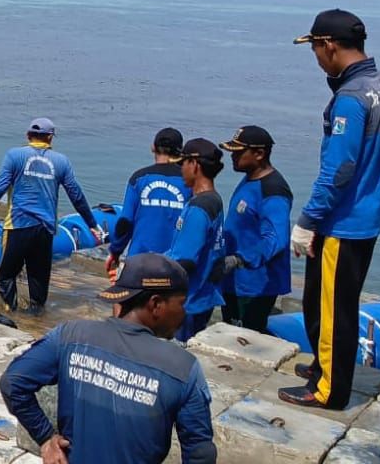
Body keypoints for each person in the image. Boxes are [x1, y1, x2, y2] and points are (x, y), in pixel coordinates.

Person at [280, 9, 380, 410]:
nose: (315, 57)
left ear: (328, 45)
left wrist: (308, 221)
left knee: (333, 310)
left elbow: (339, 168)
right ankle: (323, 367)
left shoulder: (350, 99)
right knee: (320, 300)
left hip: (342, 221)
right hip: (366, 216)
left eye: (315, 48)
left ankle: (329, 390)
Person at [0, 253, 217, 464]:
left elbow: (12, 383)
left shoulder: (71, 335)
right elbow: (200, 453)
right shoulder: (183, 368)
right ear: (155, 304)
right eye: (181, 303)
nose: (184, 312)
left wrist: (46, 438)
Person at [0, 118, 103, 315]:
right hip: (45, 229)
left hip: (18, 226)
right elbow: (76, 195)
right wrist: (91, 223)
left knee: (5, 277)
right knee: (38, 280)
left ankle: (12, 313)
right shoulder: (61, 161)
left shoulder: (14, 156)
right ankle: (35, 319)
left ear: (28, 135)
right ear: (50, 138)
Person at [215, 125, 293, 333]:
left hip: (254, 285)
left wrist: (239, 259)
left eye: (239, 152)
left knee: (244, 337)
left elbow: (276, 238)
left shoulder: (273, 191)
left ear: (259, 153)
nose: (232, 156)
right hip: (232, 280)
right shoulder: (249, 180)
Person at [107, 127, 190, 281]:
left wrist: (115, 251)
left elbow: (125, 221)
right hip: (173, 264)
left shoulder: (139, 178)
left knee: (125, 303)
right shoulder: (189, 182)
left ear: (153, 147)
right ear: (181, 152)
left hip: (138, 261)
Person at [165, 138, 226, 342]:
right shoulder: (214, 200)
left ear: (195, 165)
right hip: (205, 296)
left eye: (183, 162)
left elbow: (185, 261)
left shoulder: (199, 208)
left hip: (189, 300)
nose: (181, 168)